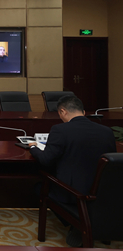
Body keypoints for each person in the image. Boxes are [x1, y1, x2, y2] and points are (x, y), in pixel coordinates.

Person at [29, 95, 116, 247]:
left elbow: (46, 160)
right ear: (83, 112)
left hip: (72, 194)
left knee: (39, 187)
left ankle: (77, 223)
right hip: (101, 194)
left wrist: (33, 148)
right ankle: (85, 222)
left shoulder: (60, 130)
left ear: (62, 111)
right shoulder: (106, 131)